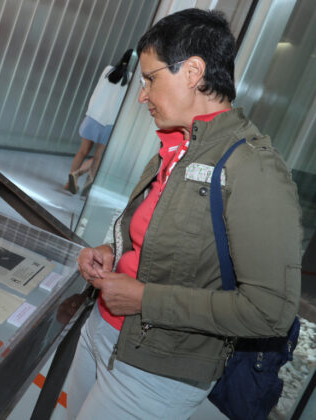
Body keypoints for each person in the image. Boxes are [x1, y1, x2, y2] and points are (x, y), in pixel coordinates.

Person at [66, 8, 302, 419]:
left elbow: (269, 311)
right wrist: (111, 251)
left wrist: (145, 299)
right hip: (101, 331)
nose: (142, 94)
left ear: (193, 71)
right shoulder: (175, 143)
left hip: (158, 372)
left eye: (151, 79)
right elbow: (158, 240)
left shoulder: (253, 168)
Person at [65, 49, 135, 195]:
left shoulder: (108, 70)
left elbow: (98, 90)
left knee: (82, 151)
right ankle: (87, 187)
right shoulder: (131, 78)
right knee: (98, 157)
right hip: (110, 122)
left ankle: (70, 180)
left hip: (94, 116)